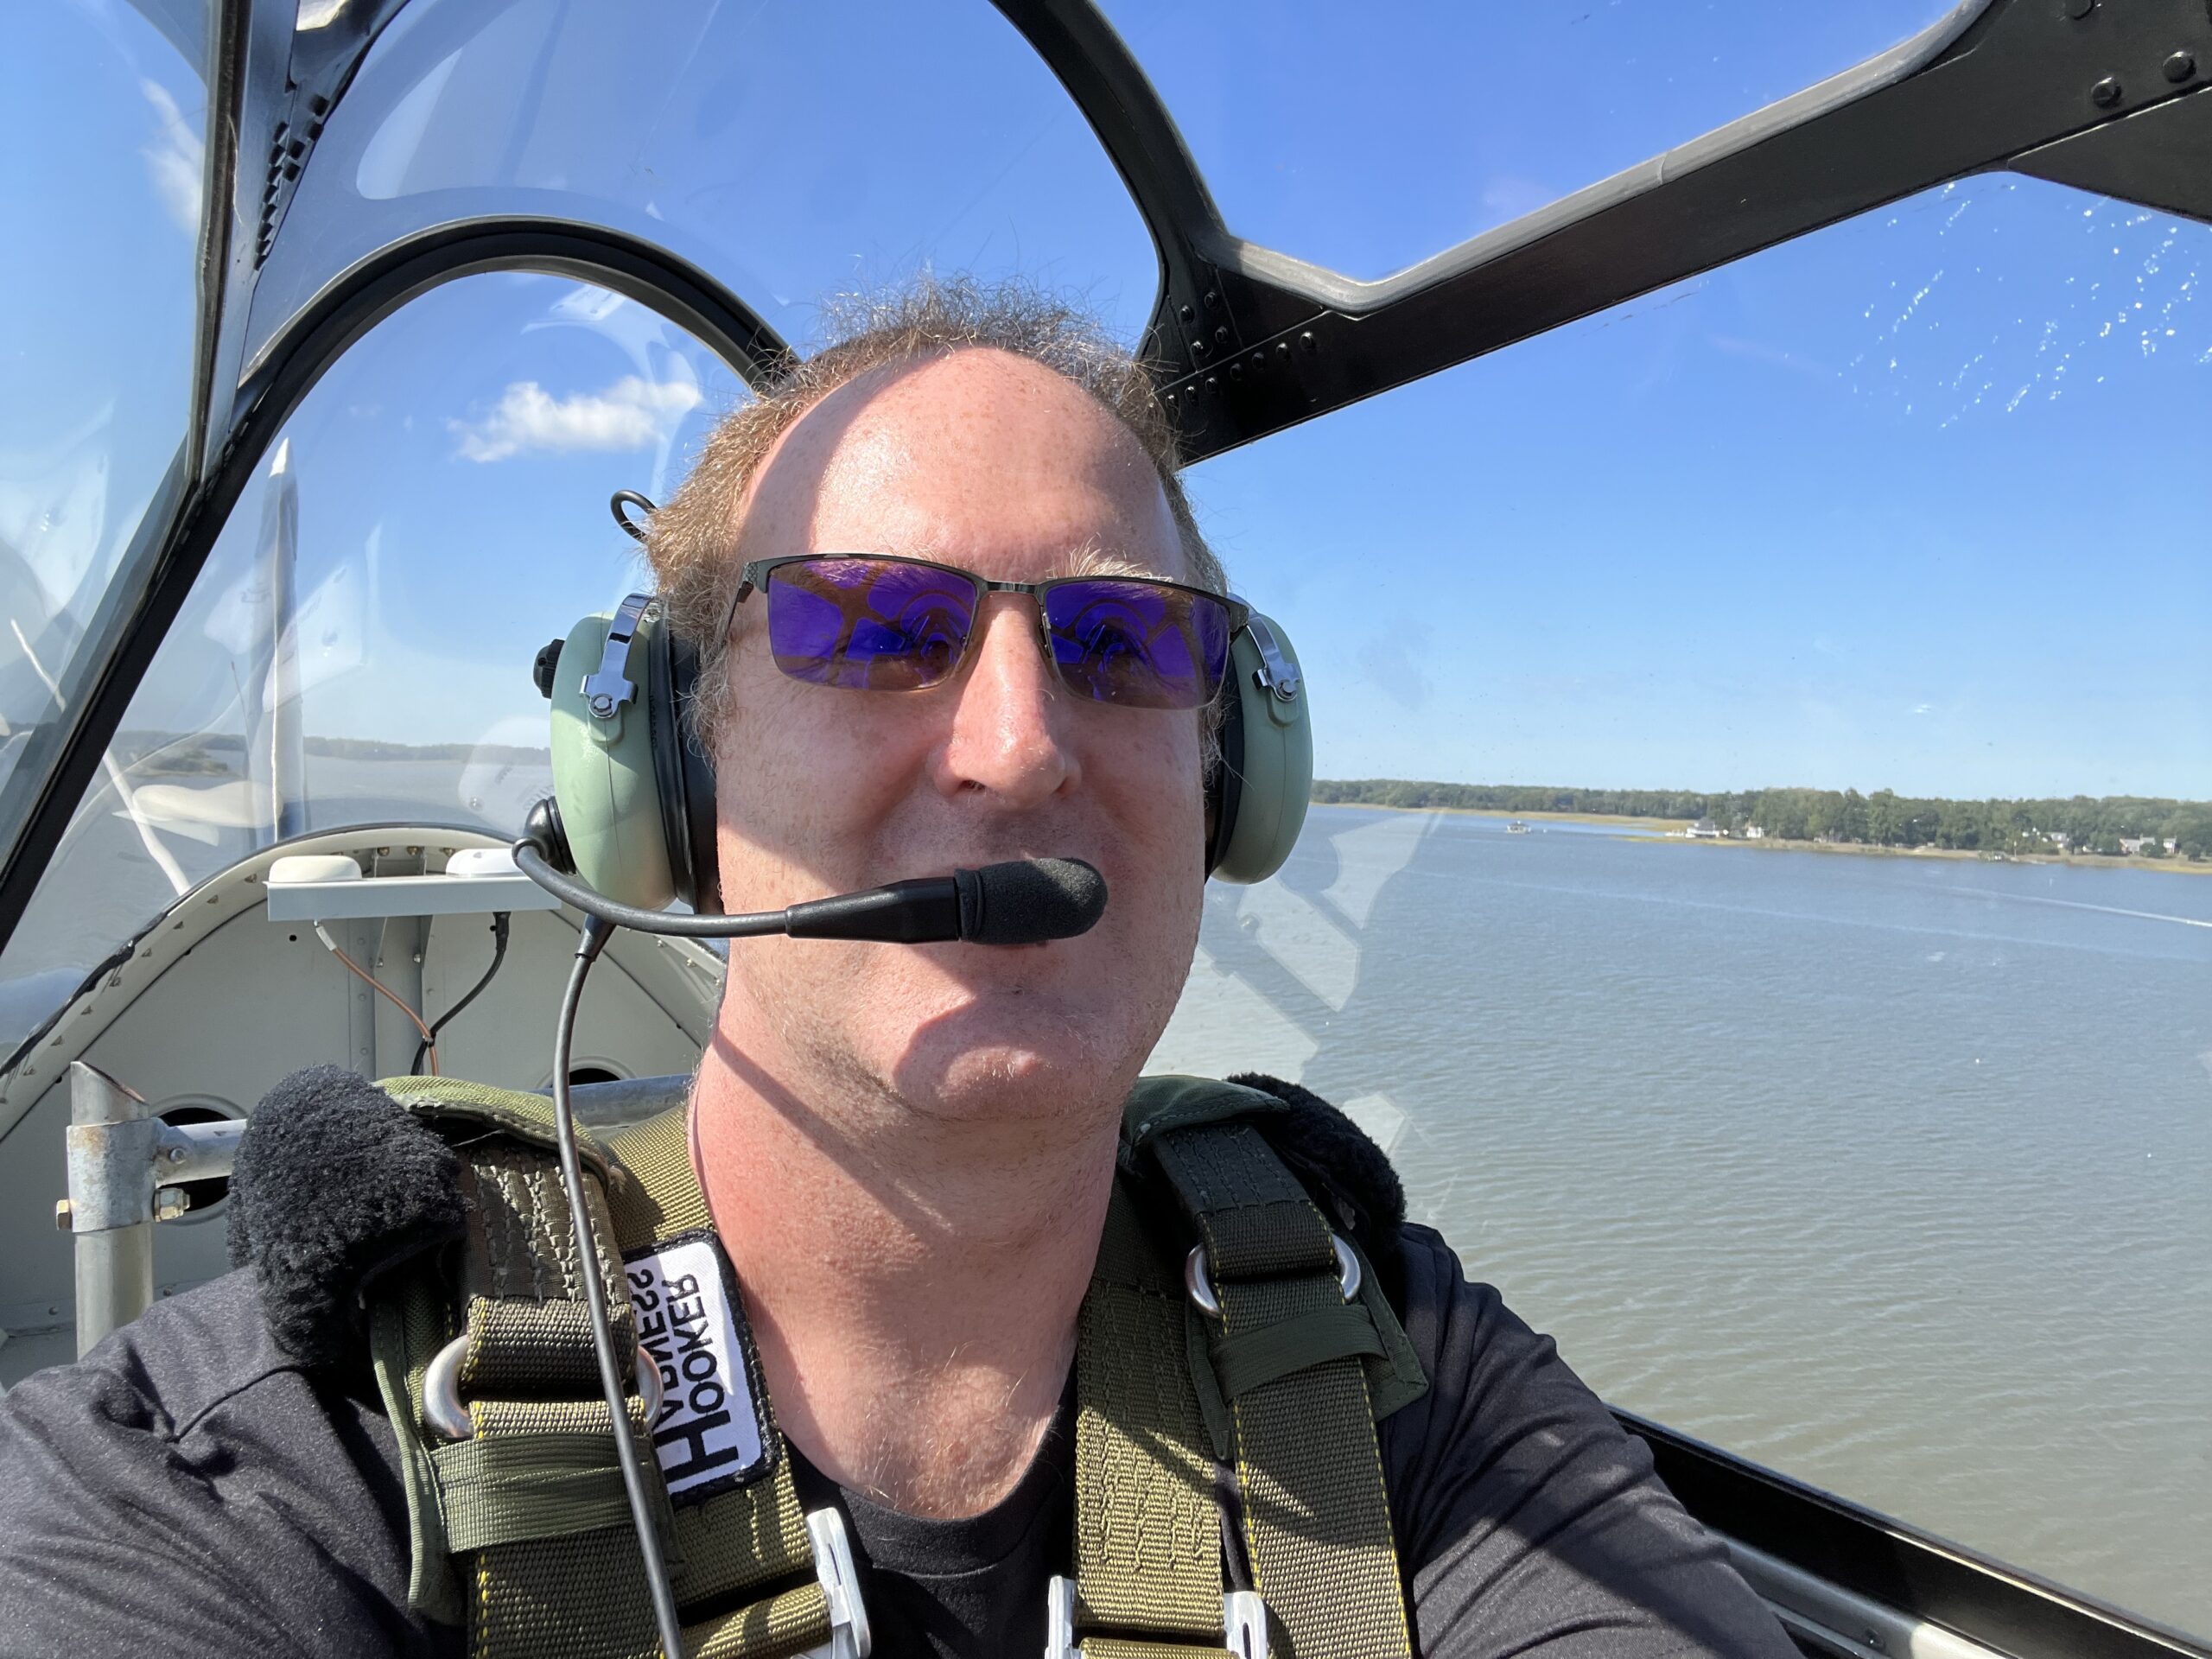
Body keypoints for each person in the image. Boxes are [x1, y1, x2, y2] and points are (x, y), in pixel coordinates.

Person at [0, 282, 1794, 1658]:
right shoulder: (267, 1468)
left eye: (1117, 641)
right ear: (662, 777)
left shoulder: (1386, 1365)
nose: (1020, 748)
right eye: (874, 628)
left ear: (1227, 779)